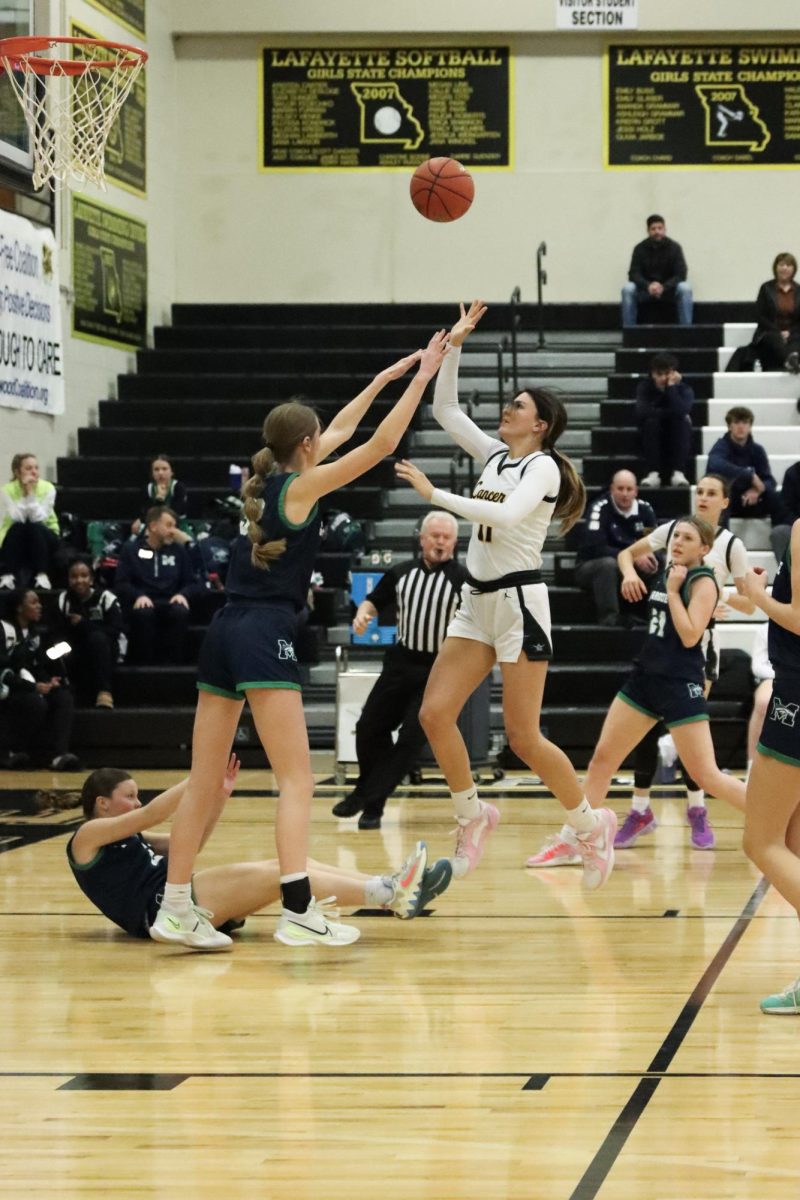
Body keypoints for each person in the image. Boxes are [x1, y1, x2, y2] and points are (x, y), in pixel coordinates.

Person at [151, 331, 449, 951]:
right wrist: (423, 377)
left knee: (203, 779)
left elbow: (340, 430)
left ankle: (174, 908)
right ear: (305, 446)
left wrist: (384, 379)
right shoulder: (301, 489)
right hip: (263, 634)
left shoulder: (266, 484)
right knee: (298, 779)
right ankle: (297, 909)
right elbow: (382, 444)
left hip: (224, 633)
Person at [395, 301, 617, 889]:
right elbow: (444, 409)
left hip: (520, 605)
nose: (507, 409)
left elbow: (508, 511)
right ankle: (473, 814)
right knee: (434, 713)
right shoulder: (495, 456)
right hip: (477, 601)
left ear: (539, 424)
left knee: (523, 737)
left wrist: (435, 494)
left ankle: (590, 827)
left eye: (518, 406)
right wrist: (457, 346)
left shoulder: (541, 469)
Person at [527, 476, 753, 865]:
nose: (677, 543)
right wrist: (639, 573)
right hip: (645, 677)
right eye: (675, 537)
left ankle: (778, 822)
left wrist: (678, 584)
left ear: (704, 548)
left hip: (681, 684)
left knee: (708, 774)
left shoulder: (702, 580)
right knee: (602, 759)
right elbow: (631, 560)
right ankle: (576, 839)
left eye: (686, 539)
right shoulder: (670, 567)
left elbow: (688, 634)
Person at [68, 756, 453, 944]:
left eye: (137, 796)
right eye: (128, 797)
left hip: (180, 896)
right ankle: (393, 895)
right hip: (160, 911)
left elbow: (193, 842)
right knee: (278, 876)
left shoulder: (124, 838)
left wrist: (217, 795)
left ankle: (388, 887)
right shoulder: (87, 837)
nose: (136, 803)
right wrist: (200, 776)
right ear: (102, 803)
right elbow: (151, 814)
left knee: (290, 865)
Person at [332, 510, 466, 829]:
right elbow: (371, 602)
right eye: (435, 536)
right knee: (368, 728)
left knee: (410, 739)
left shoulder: (464, 581)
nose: (440, 542)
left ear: (455, 543)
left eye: (447, 538)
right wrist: (363, 616)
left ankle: (370, 802)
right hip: (401, 662)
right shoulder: (401, 573)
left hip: (438, 671)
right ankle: (368, 792)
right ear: (421, 539)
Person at [741, 520, 800, 1013]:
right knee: (794, 846)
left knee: (759, 841)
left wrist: (759, 596)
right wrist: (755, 596)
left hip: (797, 698)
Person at [0, 588, 80, 771]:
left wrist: (49, 682)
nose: (39, 606)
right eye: (34, 602)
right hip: (8, 688)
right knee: (34, 703)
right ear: (19, 607)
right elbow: (4, 670)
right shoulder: (3, 629)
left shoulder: (35, 634)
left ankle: (59, 755)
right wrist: (33, 686)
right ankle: (10, 751)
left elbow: (38, 665)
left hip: (30, 686)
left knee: (63, 697)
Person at [114, 507, 200, 665]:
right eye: (169, 525)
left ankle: (173, 666)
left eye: (175, 526)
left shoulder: (179, 551)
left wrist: (183, 594)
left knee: (180, 612)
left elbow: (193, 582)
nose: (173, 531)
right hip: (144, 600)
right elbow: (121, 583)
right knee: (143, 613)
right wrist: (138, 595)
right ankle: (143, 667)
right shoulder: (132, 550)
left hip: (171, 600)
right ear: (153, 526)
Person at [573, 469, 658, 626]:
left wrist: (649, 556)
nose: (625, 494)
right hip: (592, 566)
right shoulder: (599, 508)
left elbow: (652, 541)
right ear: (612, 489)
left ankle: (656, 615)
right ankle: (609, 618)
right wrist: (631, 557)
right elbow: (595, 547)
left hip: (629, 567)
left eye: (629, 489)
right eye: (620, 489)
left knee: (659, 561)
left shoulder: (645, 509)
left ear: (636, 491)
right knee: (607, 565)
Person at [56, 559, 124, 709]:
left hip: (105, 648)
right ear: (68, 580)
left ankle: (104, 691)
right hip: (75, 647)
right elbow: (58, 631)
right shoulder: (64, 600)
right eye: (74, 576)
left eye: (84, 576)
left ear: (91, 579)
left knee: (97, 639)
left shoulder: (106, 597)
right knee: (57, 647)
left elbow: (115, 630)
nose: (79, 580)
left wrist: (84, 624)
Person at [706, 406, 786, 527]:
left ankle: (783, 537)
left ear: (750, 426)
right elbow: (715, 464)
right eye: (736, 422)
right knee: (720, 497)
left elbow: (769, 480)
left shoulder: (757, 450)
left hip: (751, 499)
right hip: (729, 501)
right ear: (729, 426)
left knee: (777, 497)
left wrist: (758, 490)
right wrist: (749, 475)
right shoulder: (721, 446)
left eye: (745, 422)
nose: (741, 426)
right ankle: (722, 542)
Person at [0, 453, 60, 591]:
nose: (34, 472)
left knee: (33, 527)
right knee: (18, 526)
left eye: (36, 468)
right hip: (16, 533)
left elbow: (39, 518)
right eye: (28, 468)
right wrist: (25, 494)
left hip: (46, 533)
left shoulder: (49, 488)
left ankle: (42, 575)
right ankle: (7, 576)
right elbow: (17, 517)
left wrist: (30, 494)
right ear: (17, 472)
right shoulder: (6, 490)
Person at [621, 214, 693, 327]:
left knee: (685, 288)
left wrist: (664, 287)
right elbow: (633, 273)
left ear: (664, 229)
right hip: (646, 291)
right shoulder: (639, 249)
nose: (657, 232)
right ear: (648, 231)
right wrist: (648, 286)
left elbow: (681, 274)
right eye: (653, 229)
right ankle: (629, 332)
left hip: (668, 291)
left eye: (660, 228)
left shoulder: (675, 248)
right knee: (628, 289)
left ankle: (686, 332)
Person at [635, 353, 694, 488]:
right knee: (651, 421)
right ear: (652, 374)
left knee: (682, 421)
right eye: (659, 374)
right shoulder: (645, 387)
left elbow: (681, 411)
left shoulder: (684, 388)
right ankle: (653, 473)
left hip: (676, 431)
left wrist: (671, 388)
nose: (662, 378)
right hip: (651, 432)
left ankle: (678, 472)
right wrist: (671, 413)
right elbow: (642, 412)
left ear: (674, 373)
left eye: (667, 373)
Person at [751, 252, 800, 373]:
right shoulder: (766, 288)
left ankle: (792, 360)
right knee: (773, 338)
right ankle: (790, 360)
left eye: (788, 265)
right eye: (781, 264)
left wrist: (789, 332)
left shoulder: (799, 290)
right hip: (770, 331)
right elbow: (760, 316)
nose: (784, 268)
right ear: (775, 267)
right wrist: (778, 332)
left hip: (793, 332)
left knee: (796, 339)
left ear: (794, 269)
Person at [131, 455, 191, 544]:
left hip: (177, 526)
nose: (160, 473)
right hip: (153, 528)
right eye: (156, 469)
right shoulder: (148, 489)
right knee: (132, 542)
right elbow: (147, 514)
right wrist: (140, 520)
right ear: (152, 473)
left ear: (171, 472)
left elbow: (174, 514)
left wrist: (159, 499)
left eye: (164, 469)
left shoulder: (178, 487)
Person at [747, 621, 774, 775]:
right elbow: (758, 666)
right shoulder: (766, 629)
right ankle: (753, 768)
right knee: (764, 702)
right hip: (775, 678)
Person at [770, 460, 800, 565]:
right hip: (797, 526)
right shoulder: (793, 473)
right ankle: (789, 579)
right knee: (779, 533)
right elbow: (785, 510)